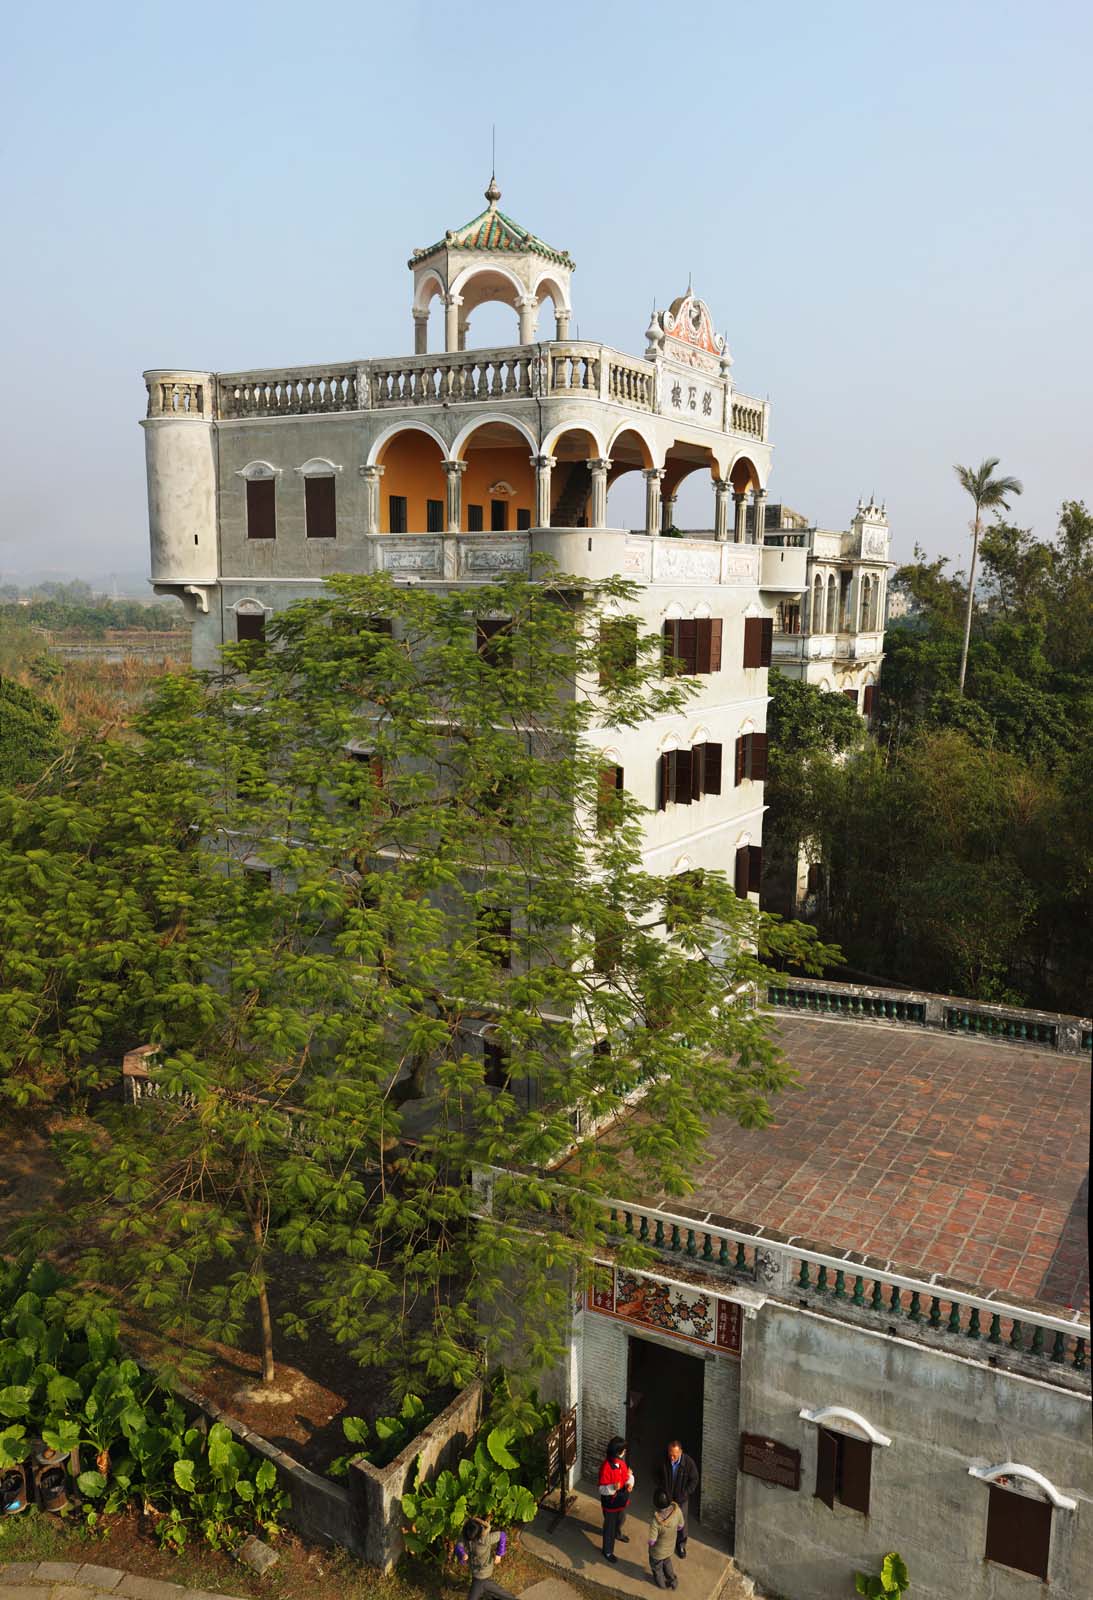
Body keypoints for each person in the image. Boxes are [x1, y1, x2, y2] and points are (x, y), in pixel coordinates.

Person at [456, 1516, 519, 1600]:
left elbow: (502, 1535)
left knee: (479, 1588)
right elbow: (459, 1545)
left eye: (473, 1538)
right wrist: (462, 1553)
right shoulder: (467, 1532)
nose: (470, 1540)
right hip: (475, 1569)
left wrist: (499, 1554)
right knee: (488, 1586)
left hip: (482, 1571)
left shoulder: (485, 1539)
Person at [656, 1439, 699, 1558]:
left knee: (682, 1523)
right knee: (665, 1521)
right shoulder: (664, 1460)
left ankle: (681, 1545)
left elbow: (694, 1480)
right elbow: (656, 1472)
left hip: (681, 1499)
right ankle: (665, 1542)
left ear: (680, 1452)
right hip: (667, 1497)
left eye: (674, 1455)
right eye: (670, 1454)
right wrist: (662, 1488)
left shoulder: (688, 1463)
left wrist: (685, 1493)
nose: (672, 1458)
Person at [598, 1435, 634, 1563]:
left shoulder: (621, 1464)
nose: (625, 1453)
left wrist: (629, 1482)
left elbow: (626, 1477)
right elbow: (601, 1489)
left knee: (621, 1518)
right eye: (623, 1450)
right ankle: (607, 1551)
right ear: (619, 1452)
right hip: (610, 1503)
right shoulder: (606, 1467)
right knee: (609, 1527)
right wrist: (612, 1487)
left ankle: (617, 1534)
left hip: (621, 1500)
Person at [648, 1488, 684, 1590]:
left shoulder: (656, 1522)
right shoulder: (677, 1512)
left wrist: (651, 1544)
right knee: (667, 1563)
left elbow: (652, 1541)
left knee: (657, 1568)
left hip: (657, 1552)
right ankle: (673, 1581)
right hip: (670, 1548)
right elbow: (681, 1526)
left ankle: (662, 1584)